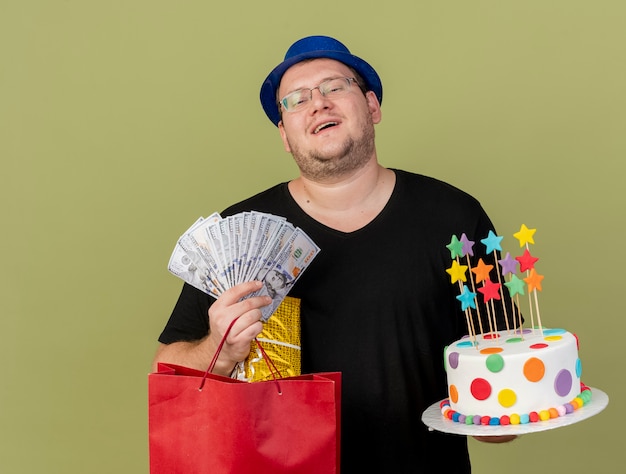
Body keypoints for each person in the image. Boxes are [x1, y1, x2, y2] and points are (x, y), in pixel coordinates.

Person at [153, 35, 516, 473]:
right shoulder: (238, 235)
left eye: (334, 87)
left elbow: (500, 418)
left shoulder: (454, 217)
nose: (318, 103)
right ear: (285, 135)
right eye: (297, 99)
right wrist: (221, 347)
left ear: (372, 107)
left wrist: (503, 404)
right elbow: (168, 369)